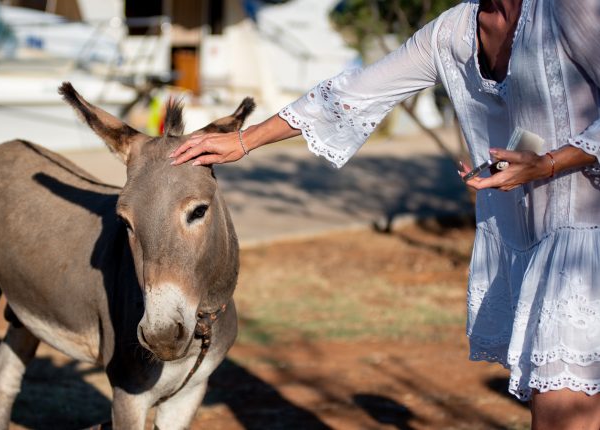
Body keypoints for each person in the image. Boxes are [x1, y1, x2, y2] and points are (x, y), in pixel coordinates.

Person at [170, 0, 600, 428]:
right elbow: (354, 92)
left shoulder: (566, 9)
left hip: (585, 243)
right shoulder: (453, 32)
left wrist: (549, 163)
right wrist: (244, 140)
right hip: (530, 245)